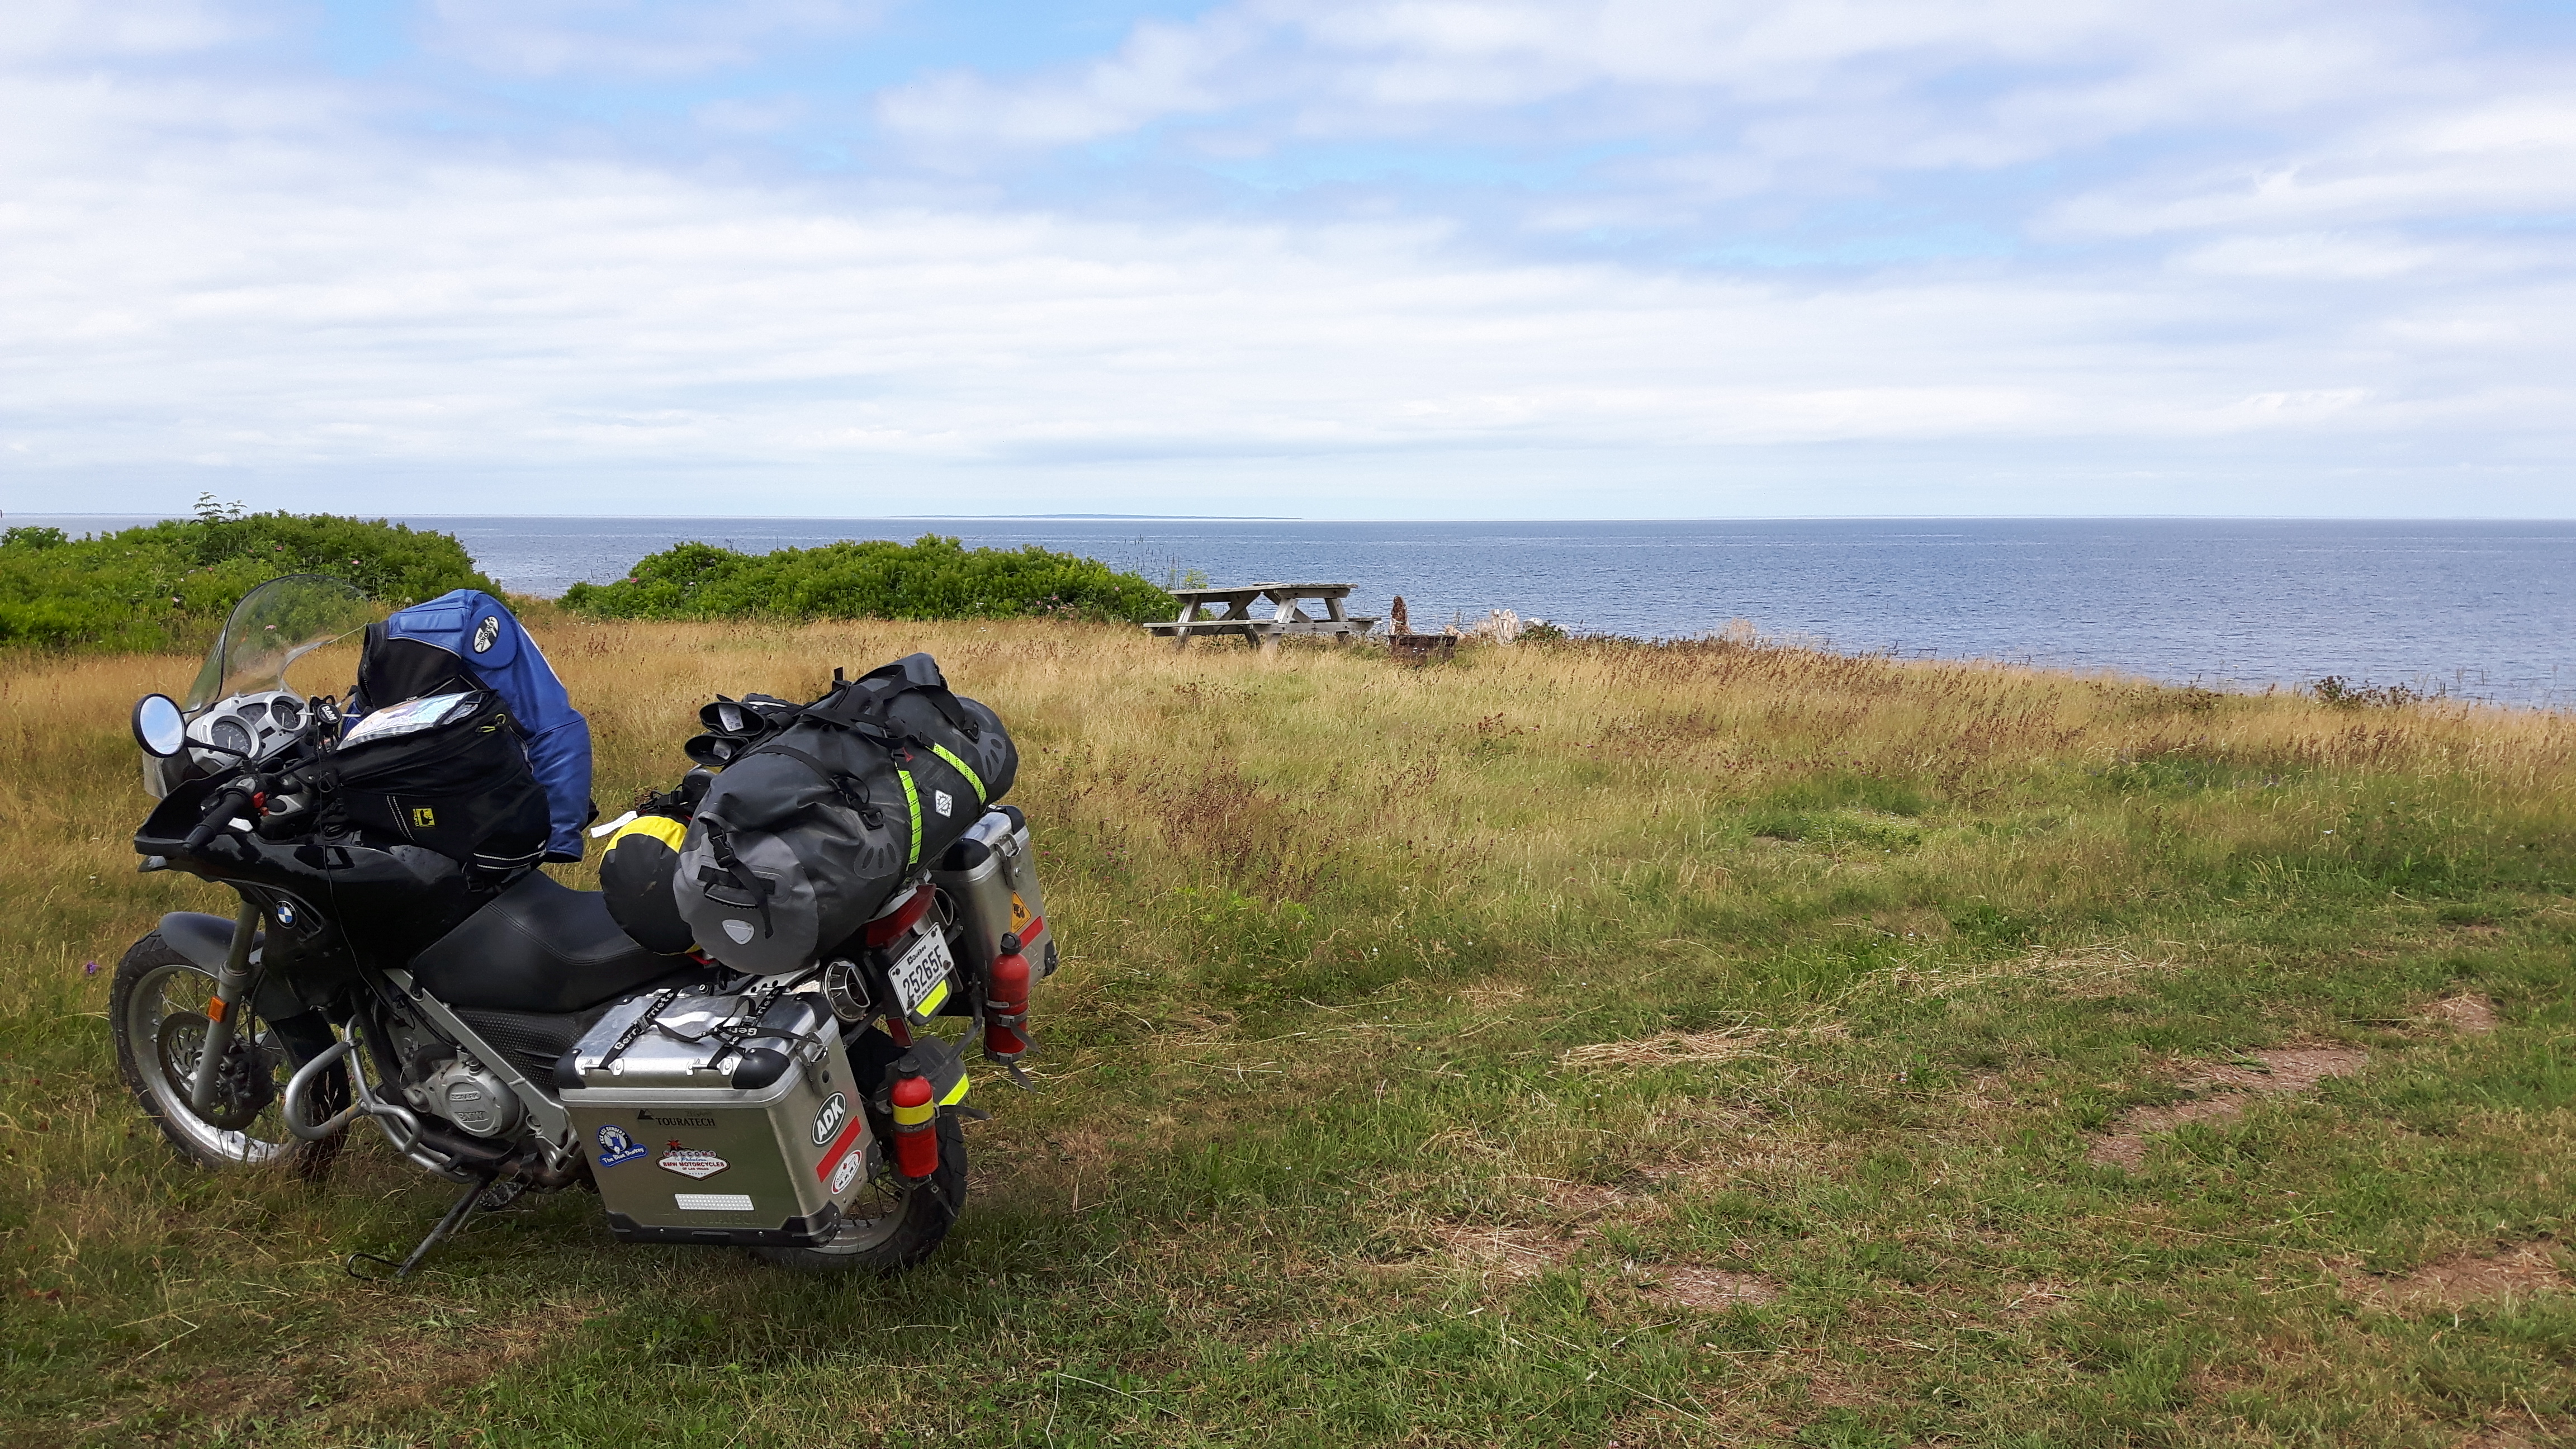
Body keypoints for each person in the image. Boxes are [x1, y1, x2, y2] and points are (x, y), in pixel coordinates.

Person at [347, 589, 594, 861]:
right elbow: (362, 719)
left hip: (486, 818)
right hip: (430, 811)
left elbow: (552, 724)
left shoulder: (462, 622)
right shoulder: (400, 647)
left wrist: (559, 836)